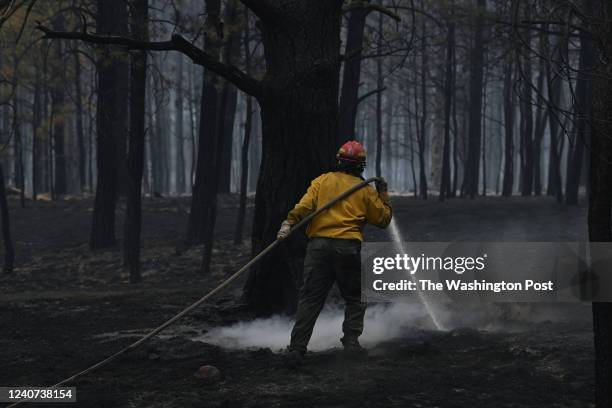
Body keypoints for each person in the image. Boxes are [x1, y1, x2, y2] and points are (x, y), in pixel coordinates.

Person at [277, 140, 392, 364]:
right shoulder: (366, 191)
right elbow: (383, 219)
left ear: (339, 161)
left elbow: (303, 207)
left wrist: (288, 223)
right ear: (361, 165)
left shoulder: (322, 181)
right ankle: (350, 344)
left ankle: (297, 348)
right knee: (355, 298)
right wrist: (383, 195)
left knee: (310, 298)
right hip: (347, 248)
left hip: (318, 246)